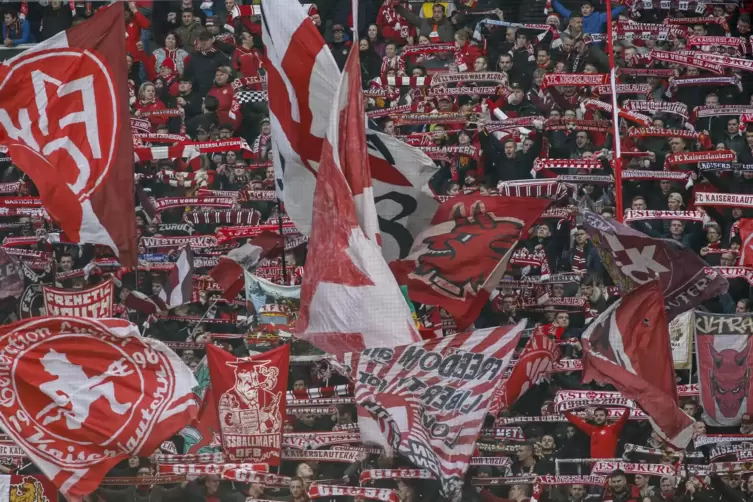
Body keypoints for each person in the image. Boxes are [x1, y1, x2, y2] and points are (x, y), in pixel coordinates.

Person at [564, 407, 630, 458]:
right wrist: (564, 411)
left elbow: (623, 419)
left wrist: (629, 406)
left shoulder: (613, 429)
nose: (598, 417)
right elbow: (577, 421)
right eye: (596, 416)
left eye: (601, 415)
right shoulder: (592, 429)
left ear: (607, 417)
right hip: (594, 467)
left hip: (609, 466)